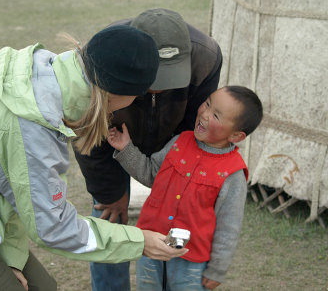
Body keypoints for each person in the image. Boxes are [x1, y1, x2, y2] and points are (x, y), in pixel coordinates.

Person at [0, 25, 188, 291]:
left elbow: (16, 189)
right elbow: (53, 228)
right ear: (117, 93)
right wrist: (140, 241)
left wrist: (13, 258)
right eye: (139, 93)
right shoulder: (33, 125)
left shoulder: (47, 78)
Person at [73, 8, 223, 291]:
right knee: (110, 222)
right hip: (111, 143)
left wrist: (176, 180)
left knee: (176, 229)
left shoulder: (206, 57)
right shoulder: (103, 55)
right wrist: (111, 193)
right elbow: (87, 135)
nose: (159, 91)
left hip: (173, 150)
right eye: (154, 80)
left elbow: (194, 127)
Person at [108, 86, 263, 290]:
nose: (205, 114)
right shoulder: (180, 142)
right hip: (151, 247)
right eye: (207, 104)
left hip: (190, 261)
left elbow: (228, 227)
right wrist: (126, 148)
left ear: (236, 136)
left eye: (216, 115)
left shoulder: (232, 174)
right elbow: (152, 174)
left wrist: (217, 270)